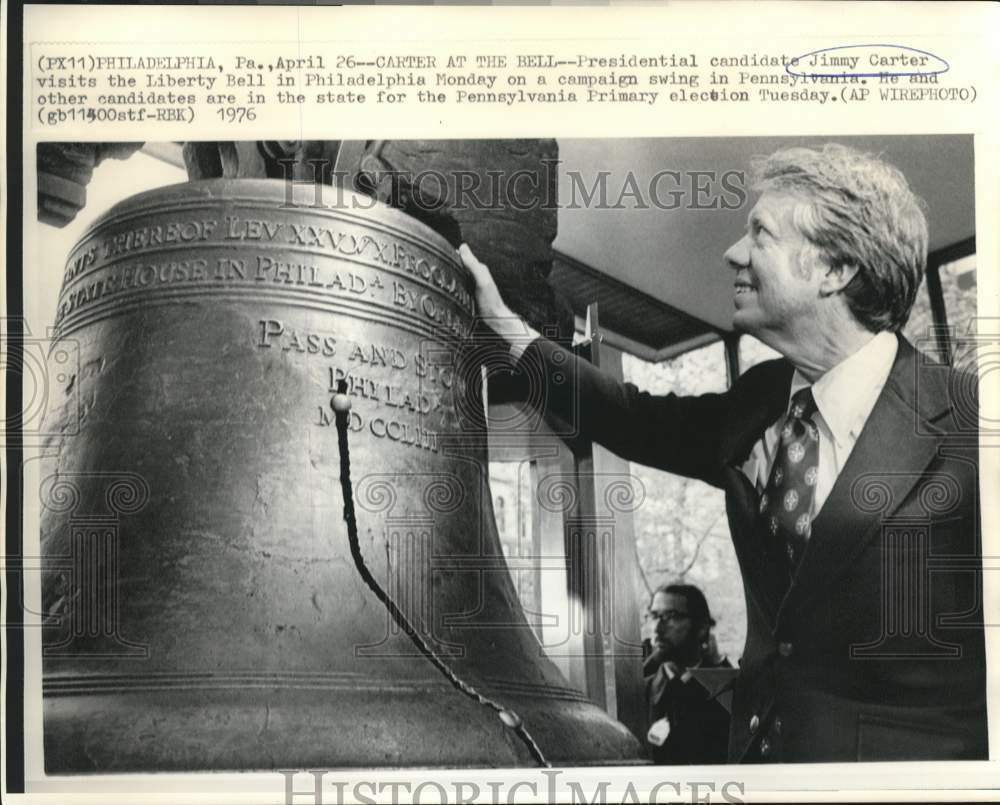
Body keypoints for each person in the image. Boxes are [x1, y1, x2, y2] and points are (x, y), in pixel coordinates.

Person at [458, 143, 987, 763]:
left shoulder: (970, 424)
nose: (731, 252)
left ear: (834, 268)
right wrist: (508, 330)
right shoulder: (760, 401)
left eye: (758, 233)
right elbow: (632, 418)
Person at [643, 584, 731, 765]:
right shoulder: (639, 694)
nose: (657, 628)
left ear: (701, 628)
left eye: (671, 617)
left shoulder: (728, 693)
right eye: (654, 616)